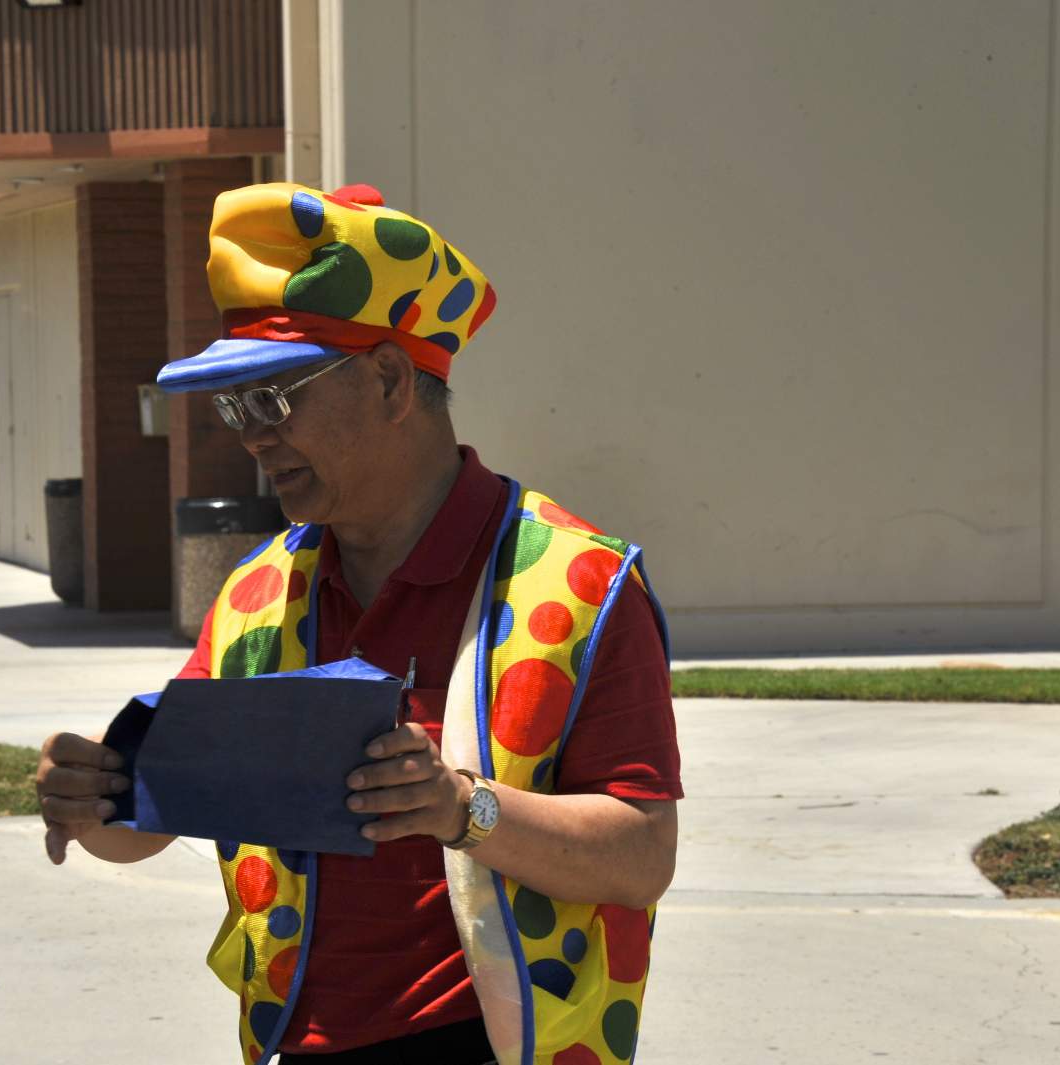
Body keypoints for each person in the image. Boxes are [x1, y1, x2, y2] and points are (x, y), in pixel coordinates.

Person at [37, 183, 682, 1064]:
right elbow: (153, 817)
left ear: (387, 380)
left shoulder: (581, 585)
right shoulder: (260, 591)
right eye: (234, 405)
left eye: (273, 399)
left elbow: (643, 855)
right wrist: (91, 797)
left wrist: (460, 808)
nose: (251, 437)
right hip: (291, 1041)